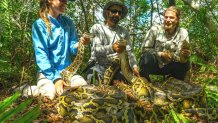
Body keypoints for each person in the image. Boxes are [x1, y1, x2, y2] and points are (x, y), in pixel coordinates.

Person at [19, 0, 90, 100]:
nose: (65, 2)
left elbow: (72, 48)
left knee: (83, 87)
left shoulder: (68, 22)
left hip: (68, 71)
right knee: (50, 95)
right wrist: (56, 78)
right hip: (47, 73)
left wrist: (81, 44)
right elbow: (41, 56)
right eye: (61, 0)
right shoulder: (39, 25)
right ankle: (24, 89)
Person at [86, 1, 139, 85]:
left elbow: (130, 52)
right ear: (107, 12)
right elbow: (96, 50)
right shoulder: (97, 28)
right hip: (98, 65)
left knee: (124, 86)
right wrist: (112, 48)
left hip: (117, 68)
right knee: (93, 83)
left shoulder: (124, 32)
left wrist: (134, 67)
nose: (117, 14)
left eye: (119, 12)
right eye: (114, 11)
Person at [139, 6, 191, 82]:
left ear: (177, 20)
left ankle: (172, 81)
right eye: (166, 17)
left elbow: (182, 57)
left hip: (171, 66)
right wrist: (160, 54)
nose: (168, 20)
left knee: (186, 64)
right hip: (155, 65)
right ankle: (145, 80)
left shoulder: (183, 32)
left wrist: (184, 55)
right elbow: (144, 49)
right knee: (146, 57)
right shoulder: (155, 29)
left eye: (171, 18)